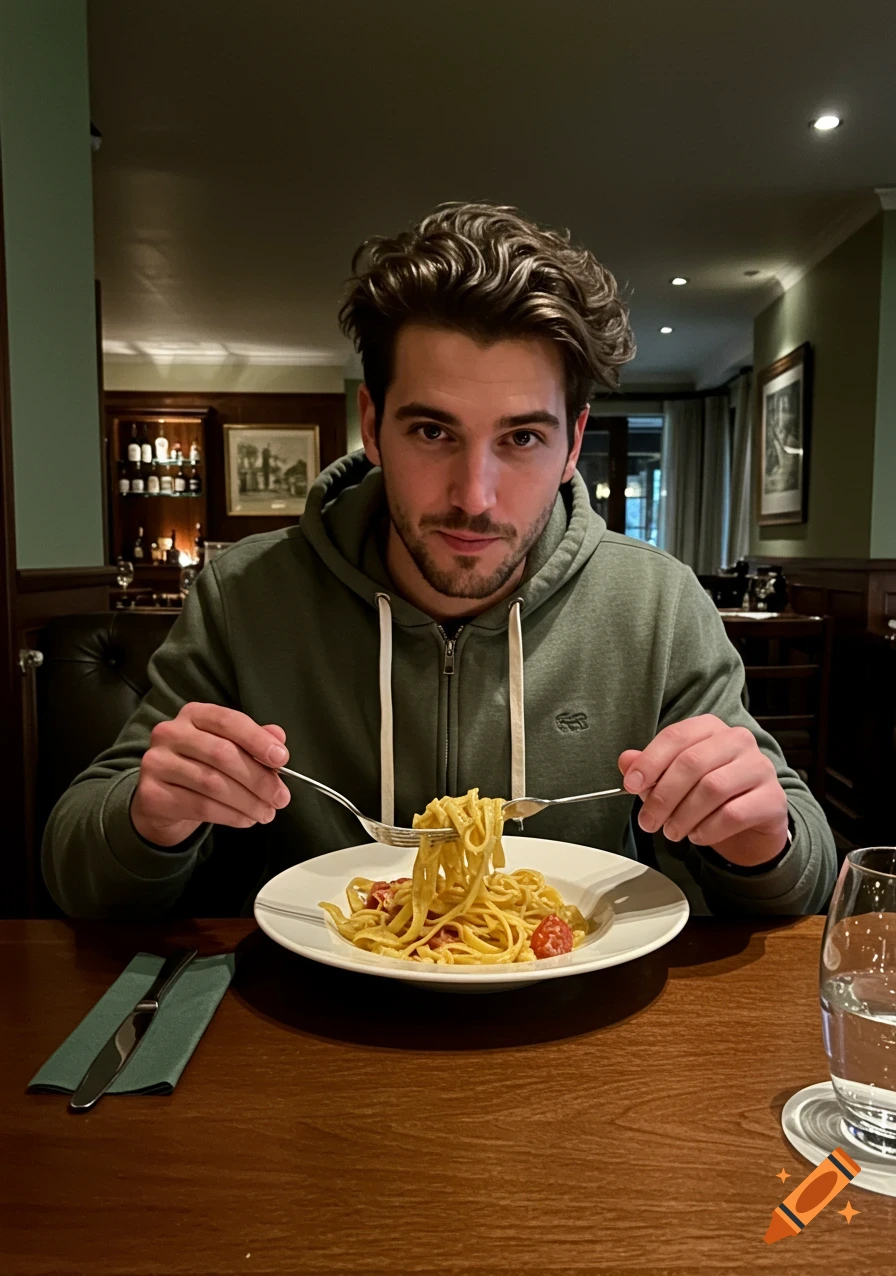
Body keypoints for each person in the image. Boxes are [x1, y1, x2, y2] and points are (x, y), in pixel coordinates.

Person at [43, 202, 836, 918]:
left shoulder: (658, 605)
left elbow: (802, 866)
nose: (475, 496)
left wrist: (759, 838)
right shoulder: (245, 595)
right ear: (372, 424)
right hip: (310, 1024)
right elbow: (76, 864)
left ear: (572, 447)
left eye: (522, 438)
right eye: (432, 432)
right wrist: (152, 821)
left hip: (585, 1024)